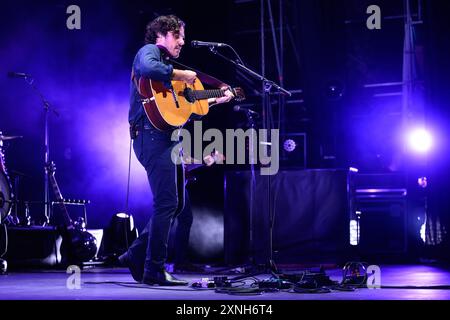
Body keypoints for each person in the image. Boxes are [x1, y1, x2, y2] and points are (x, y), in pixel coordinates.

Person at [119, 15, 233, 286]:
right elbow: (148, 67)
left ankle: (134, 254)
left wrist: (217, 97)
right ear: (161, 35)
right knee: (168, 203)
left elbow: (186, 111)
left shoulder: (167, 71)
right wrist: (183, 73)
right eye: (177, 35)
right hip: (151, 137)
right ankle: (153, 270)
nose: (182, 41)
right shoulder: (149, 53)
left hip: (167, 140)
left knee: (177, 204)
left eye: (182, 36)